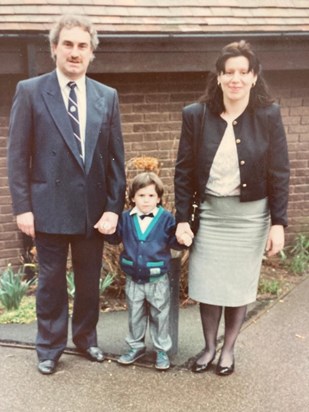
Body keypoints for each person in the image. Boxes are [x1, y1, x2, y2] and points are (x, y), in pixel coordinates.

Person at [7, 14, 126, 375]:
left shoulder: (107, 96)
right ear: (54, 49)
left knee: (89, 282)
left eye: (82, 46)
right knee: (51, 283)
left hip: (93, 210)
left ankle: (86, 339)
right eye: (68, 45)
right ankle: (49, 346)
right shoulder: (30, 91)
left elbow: (115, 159)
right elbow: (16, 155)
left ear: (91, 54)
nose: (75, 53)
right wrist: (23, 208)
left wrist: (113, 208)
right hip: (48, 208)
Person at [174, 40, 290, 376]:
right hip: (210, 214)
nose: (235, 78)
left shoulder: (269, 115)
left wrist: (278, 223)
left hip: (250, 217)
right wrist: (183, 219)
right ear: (220, 77)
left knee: (238, 287)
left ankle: (228, 349)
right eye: (229, 72)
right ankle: (209, 347)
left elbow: (279, 171)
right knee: (208, 286)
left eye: (243, 72)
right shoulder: (195, 115)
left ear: (254, 77)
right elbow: (183, 172)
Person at [108, 172, 191, 370]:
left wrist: (181, 241)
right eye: (141, 195)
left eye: (151, 196)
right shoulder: (126, 218)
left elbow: (173, 241)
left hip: (157, 279)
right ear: (133, 197)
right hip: (133, 278)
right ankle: (135, 347)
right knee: (135, 315)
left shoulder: (166, 219)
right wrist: (107, 230)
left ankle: (162, 350)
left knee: (160, 315)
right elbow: (115, 238)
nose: (146, 200)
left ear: (159, 198)